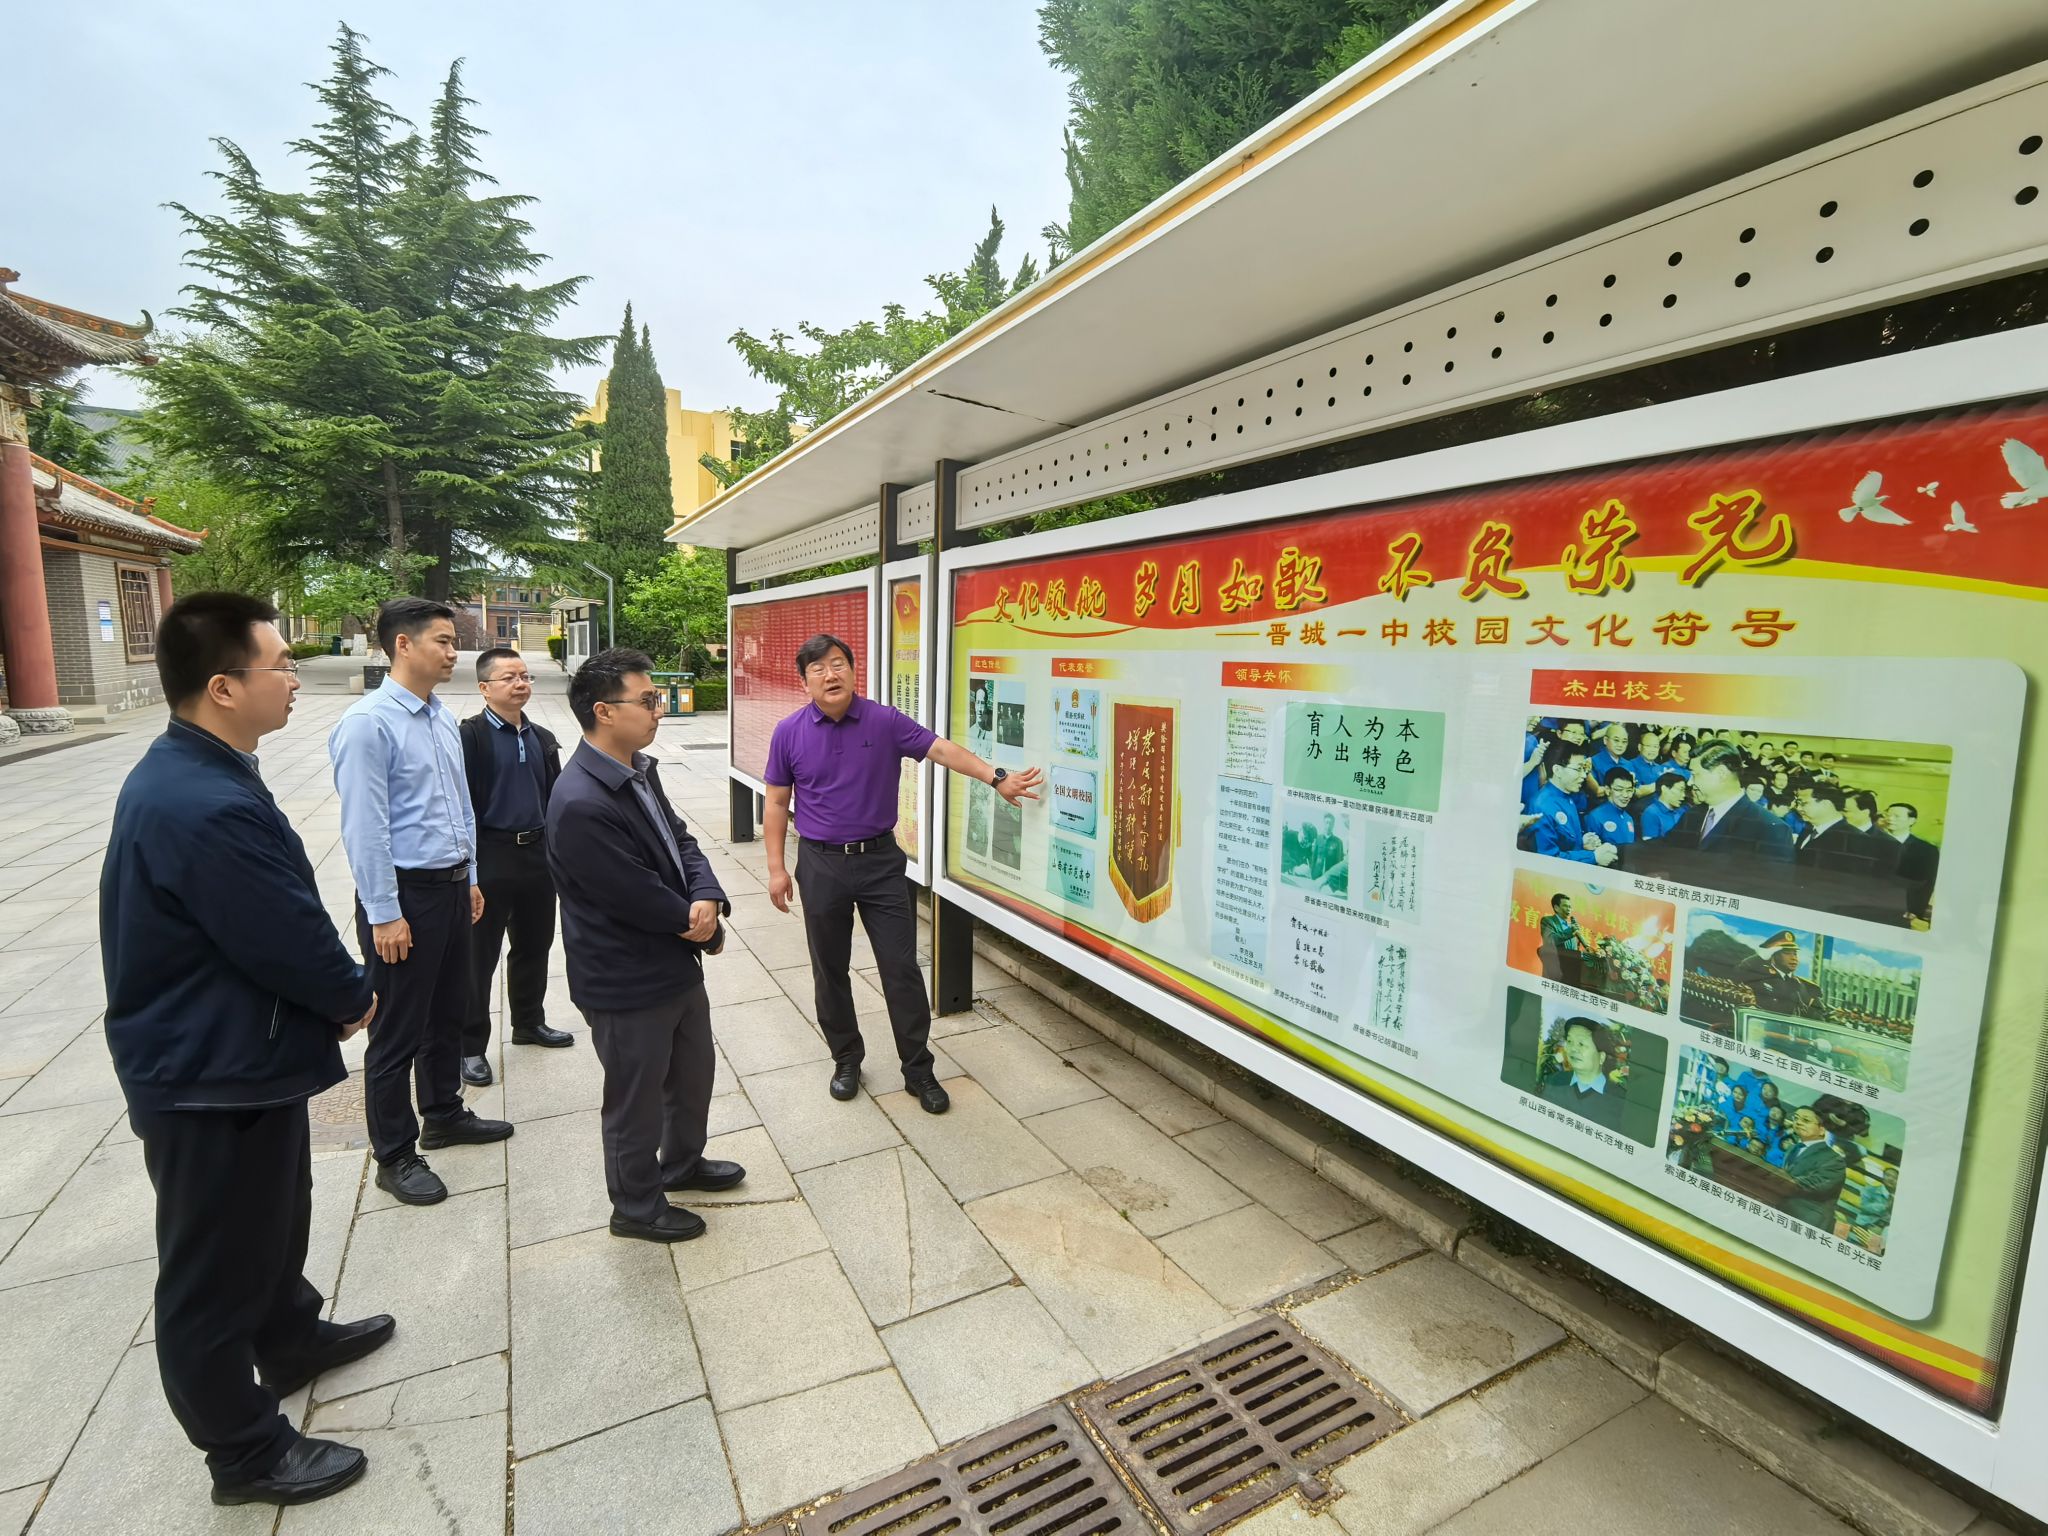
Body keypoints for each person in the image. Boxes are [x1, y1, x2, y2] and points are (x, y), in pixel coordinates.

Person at [101, 593, 390, 1507]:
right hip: (205, 1074)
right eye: (281, 665)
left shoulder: (205, 769)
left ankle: (290, 1338)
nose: (295, 679)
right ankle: (243, 1449)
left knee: (271, 1218)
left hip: (236, 1057)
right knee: (213, 1268)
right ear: (224, 687)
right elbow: (277, 929)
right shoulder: (199, 802)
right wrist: (349, 992)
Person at [764, 632, 1042, 1111]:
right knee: (829, 969)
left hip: (880, 863)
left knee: (901, 968)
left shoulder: (884, 720)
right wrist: (775, 868)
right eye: (818, 668)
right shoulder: (788, 732)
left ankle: (918, 1070)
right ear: (804, 681)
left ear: (854, 671)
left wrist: (995, 777)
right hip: (820, 863)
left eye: (838, 664)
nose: (830, 675)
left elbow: (940, 749)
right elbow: (775, 801)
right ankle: (846, 1059)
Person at [546, 649, 742, 1243]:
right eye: (649, 700)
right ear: (604, 711)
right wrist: (699, 923)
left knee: (692, 1075)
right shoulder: (581, 800)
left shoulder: (636, 768)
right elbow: (632, 894)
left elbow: (681, 841)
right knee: (636, 1099)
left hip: (672, 960)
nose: (660, 710)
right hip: (625, 977)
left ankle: (681, 1163)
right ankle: (634, 1205)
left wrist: (707, 895)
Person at [331, 598, 512, 1208]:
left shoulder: (438, 718)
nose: (454, 651)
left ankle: (443, 1113)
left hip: (452, 887)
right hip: (404, 897)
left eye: (453, 640)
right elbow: (366, 828)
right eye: (443, 640)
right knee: (397, 1028)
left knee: (448, 1011)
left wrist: (471, 877)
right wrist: (384, 912)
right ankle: (395, 1154)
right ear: (403, 645)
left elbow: (460, 807)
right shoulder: (368, 724)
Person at [458, 647, 572, 1087]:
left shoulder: (541, 737)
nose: (521, 683)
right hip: (490, 854)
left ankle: (528, 1022)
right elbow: (461, 805)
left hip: (537, 855)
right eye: (509, 677)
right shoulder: (470, 738)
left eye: (525, 676)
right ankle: (470, 1046)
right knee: (478, 957)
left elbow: (556, 798)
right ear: (484, 688)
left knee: (534, 945)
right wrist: (468, 870)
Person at [1530, 742, 1617, 866]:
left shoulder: (1567, 797)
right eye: (1578, 769)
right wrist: (1593, 857)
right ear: (1557, 770)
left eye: (1584, 769)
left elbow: (1563, 839)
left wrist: (1581, 842)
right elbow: (1548, 860)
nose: (1583, 775)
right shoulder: (1541, 806)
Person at [1538, 1017, 1628, 1131]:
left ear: (1601, 1057)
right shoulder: (1554, 1081)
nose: (1573, 1049)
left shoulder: (1620, 1099)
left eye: (1581, 1043)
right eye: (1569, 1041)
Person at [1779, 1105, 1849, 1227]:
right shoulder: (1792, 1148)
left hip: (1807, 1218)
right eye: (1796, 1118)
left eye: (1806, 1120)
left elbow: (1816, 1184)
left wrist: (1778, 1179)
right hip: (1781, 1208)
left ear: (1822, 1130)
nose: (1798, 1122)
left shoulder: (1834, 1159)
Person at [1883, 802, 1940, 923]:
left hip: (1904, 910)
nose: (1890, 819)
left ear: (1911, 821)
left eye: (1897, 816)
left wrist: (1915, 910)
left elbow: (1927, 884)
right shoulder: (1872, 841)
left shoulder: (1926, 849)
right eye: (1888, 815)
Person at [1538, 893, 1587, 989]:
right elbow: (1550, 940)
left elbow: (1574, 951)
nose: (1569, 909)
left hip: (1571, 975)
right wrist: (1570, 931)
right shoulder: (1548, 921)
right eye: (1565, 906)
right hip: (1554, 973)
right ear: (1556, 908)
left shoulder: (1570, 927)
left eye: (1570, 907)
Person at [1589, 767, 1639, 850]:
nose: (1625, 795)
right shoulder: (1595, 817)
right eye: (1619, 790)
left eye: (1629, 790)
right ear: (1607, 790)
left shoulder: (1629, 818)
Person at [1639, 773, 1689, 841]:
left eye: (1684, 791)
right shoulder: (1650, 813)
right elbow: (1649, 845)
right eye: (1680, 790)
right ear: (1664, 788)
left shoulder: (1683, 811)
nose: (1683, 795)